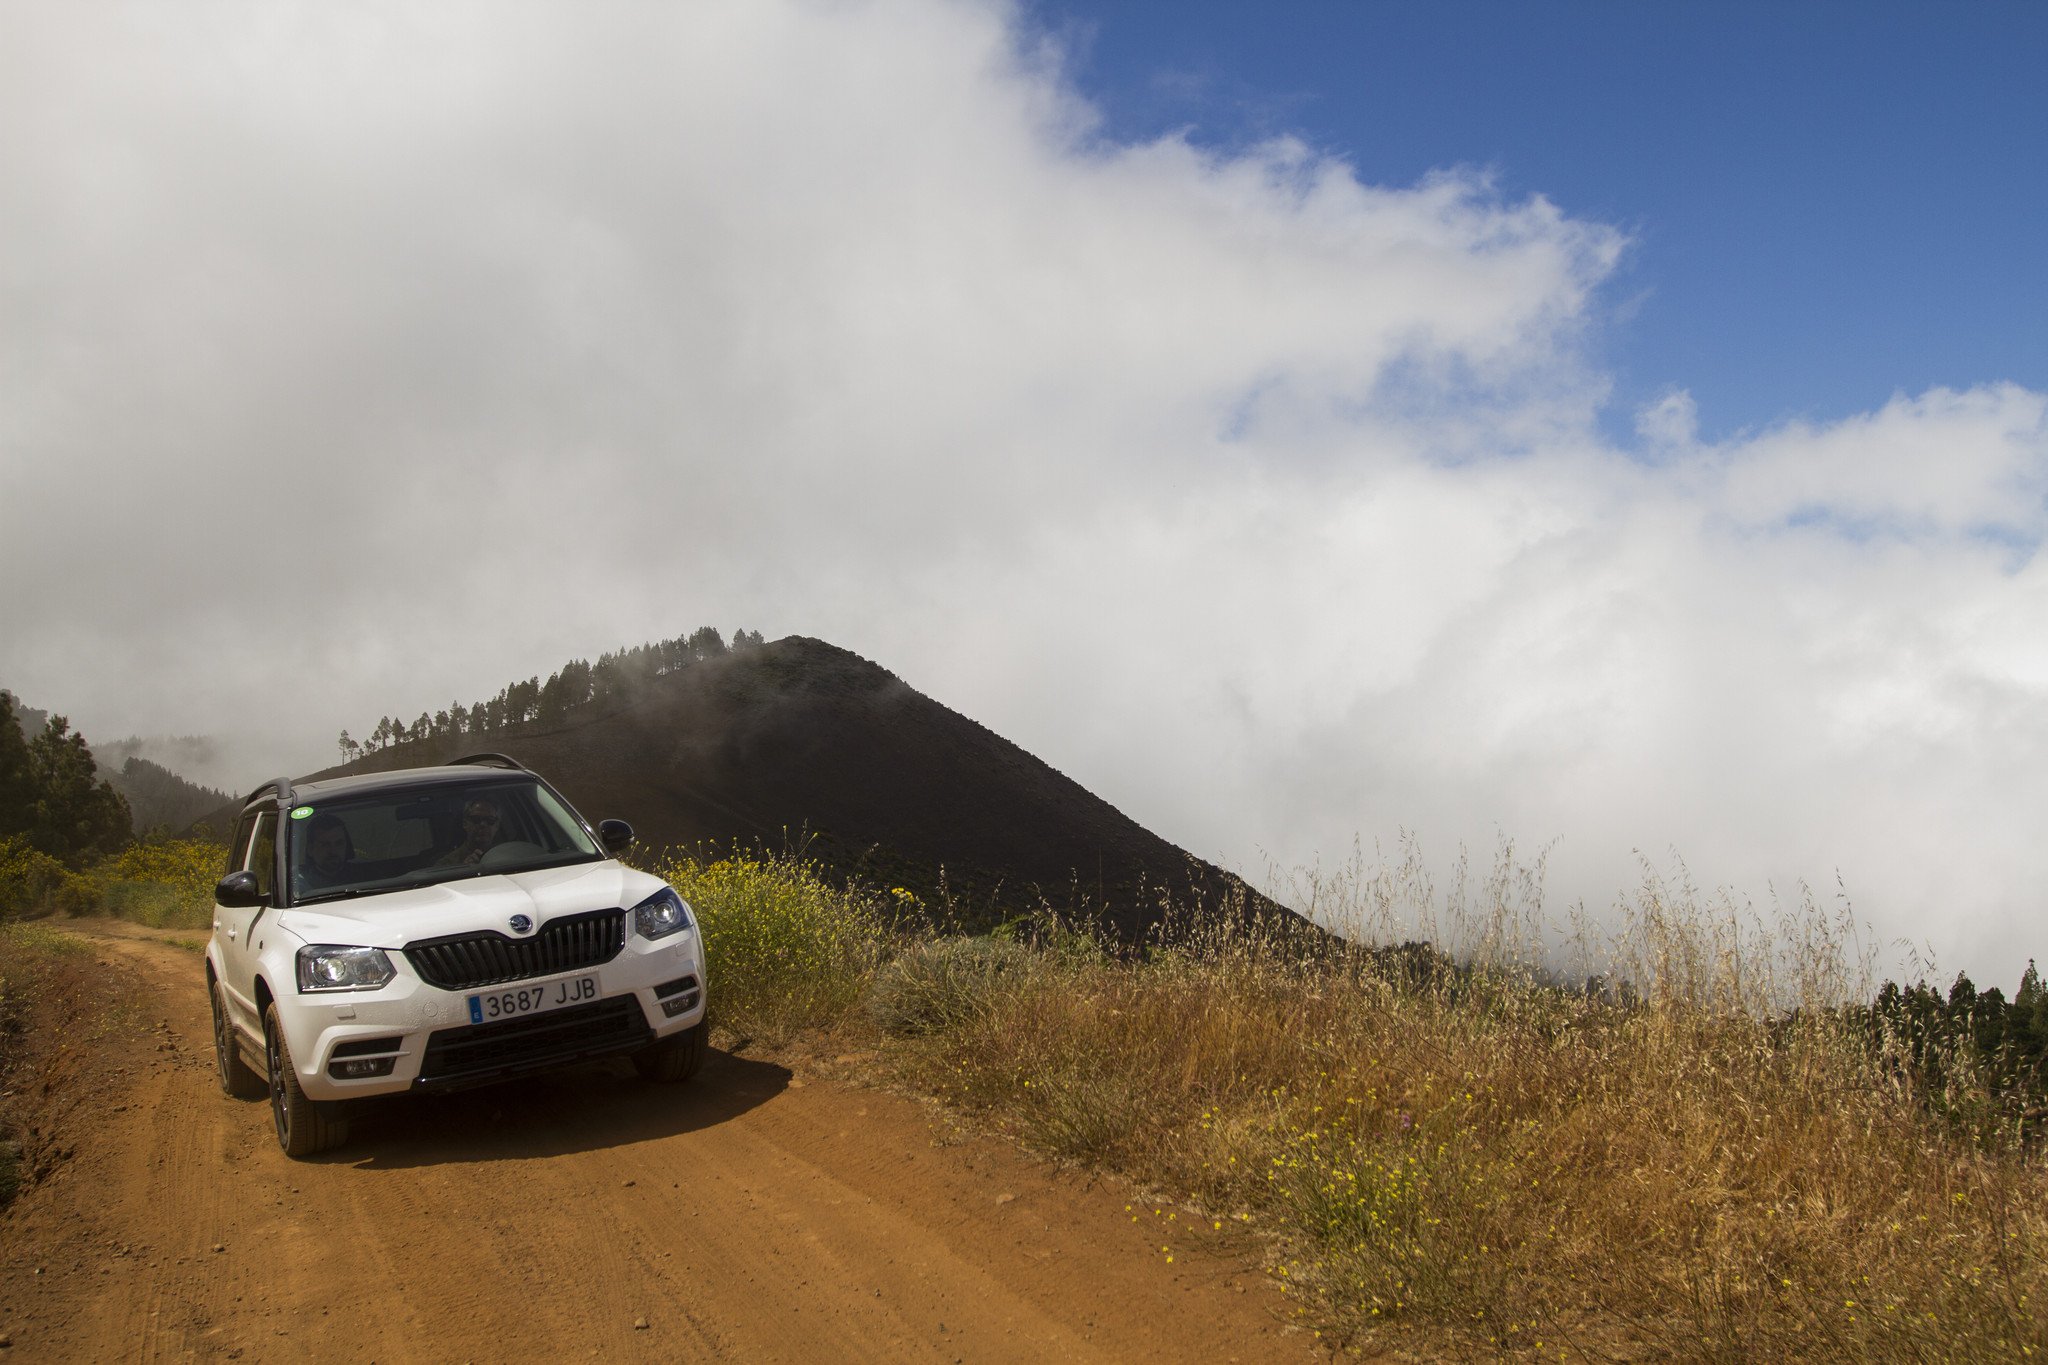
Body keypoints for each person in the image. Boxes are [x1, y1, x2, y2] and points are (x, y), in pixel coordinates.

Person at [435, 795, 503, 867]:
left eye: (490, 820)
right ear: (465, 824)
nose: (483, 824)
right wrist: (463, 870)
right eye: (476, 819)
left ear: (497, 826)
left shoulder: (508, 856)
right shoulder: (446, 864)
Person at [298, 814, 355, 889]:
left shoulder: (365, 877)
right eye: (324, 845)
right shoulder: (299, 885)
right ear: (310, 849)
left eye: (339, 843)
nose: (333, 851)